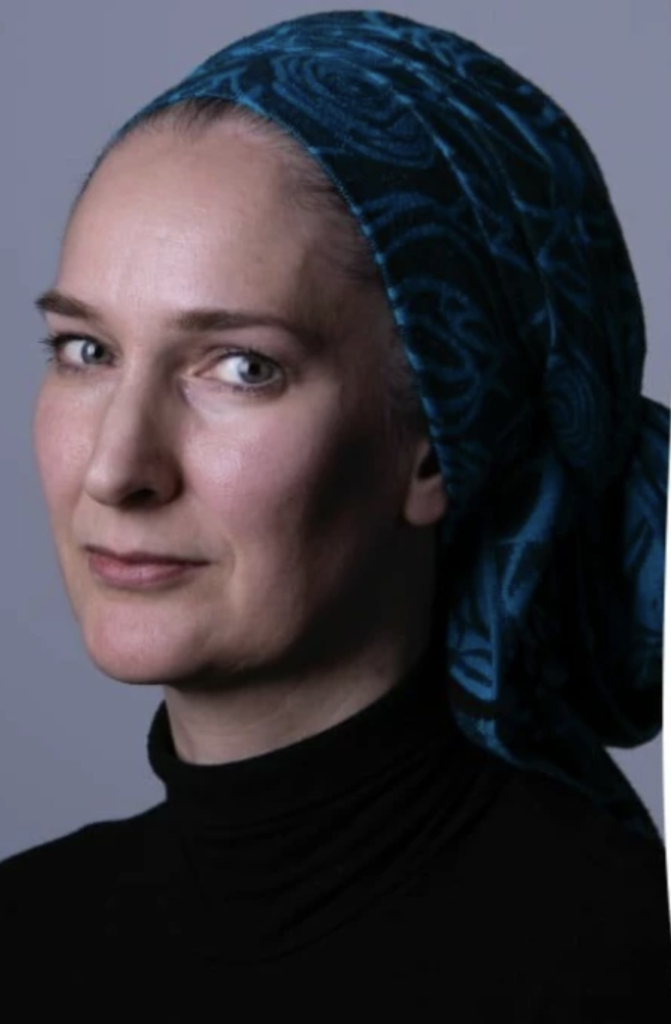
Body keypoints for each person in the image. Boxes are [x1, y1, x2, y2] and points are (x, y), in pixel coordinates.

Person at [1, 9, 669, 1017]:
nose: (115, 468)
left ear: (438, 444)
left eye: (241, 367)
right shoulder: (24, 930)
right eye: (84, 351)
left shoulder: (616, 968)